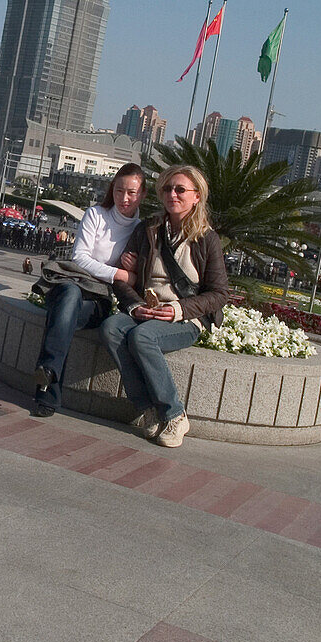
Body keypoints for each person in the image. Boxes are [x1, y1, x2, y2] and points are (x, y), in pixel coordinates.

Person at [100, 164, 228, 448]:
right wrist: (134, 306)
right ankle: (147, 409)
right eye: (168, 189)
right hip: (145, 310)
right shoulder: (148, 230)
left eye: (180, 189)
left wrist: (177, 310)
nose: (173, 194)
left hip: (184, 319)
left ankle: (174, 414)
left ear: (196, 196)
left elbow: (219, 293)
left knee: (141, 336)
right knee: (111, 328)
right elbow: (123, 278)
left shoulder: (207, 240)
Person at [30, 163, 146, 418]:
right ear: (112, 190)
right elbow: (79, 258)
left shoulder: (142, 231)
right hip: (69, 286)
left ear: (143, 195)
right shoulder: (96, 215)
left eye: (131, 192)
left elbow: (142, 275)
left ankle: (47, 378)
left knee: (67, 311)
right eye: (118, 191)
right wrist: (119, 272)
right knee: (69, 296)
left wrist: (133, 271)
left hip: (98, 301)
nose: (124, 198)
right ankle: (48, 382)